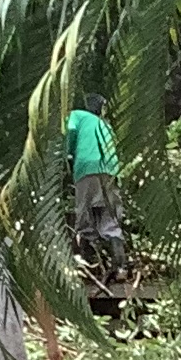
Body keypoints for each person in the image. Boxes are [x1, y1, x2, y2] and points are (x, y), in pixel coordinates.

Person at [67, 91, 127, 281]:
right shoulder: (105, 125)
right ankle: (121, 268)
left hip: (86, 168)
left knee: (84, 216)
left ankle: (87, 265)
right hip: (110, 170)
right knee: (110, 220)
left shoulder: (77, 115)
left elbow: (70, 132)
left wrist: (67, 154)